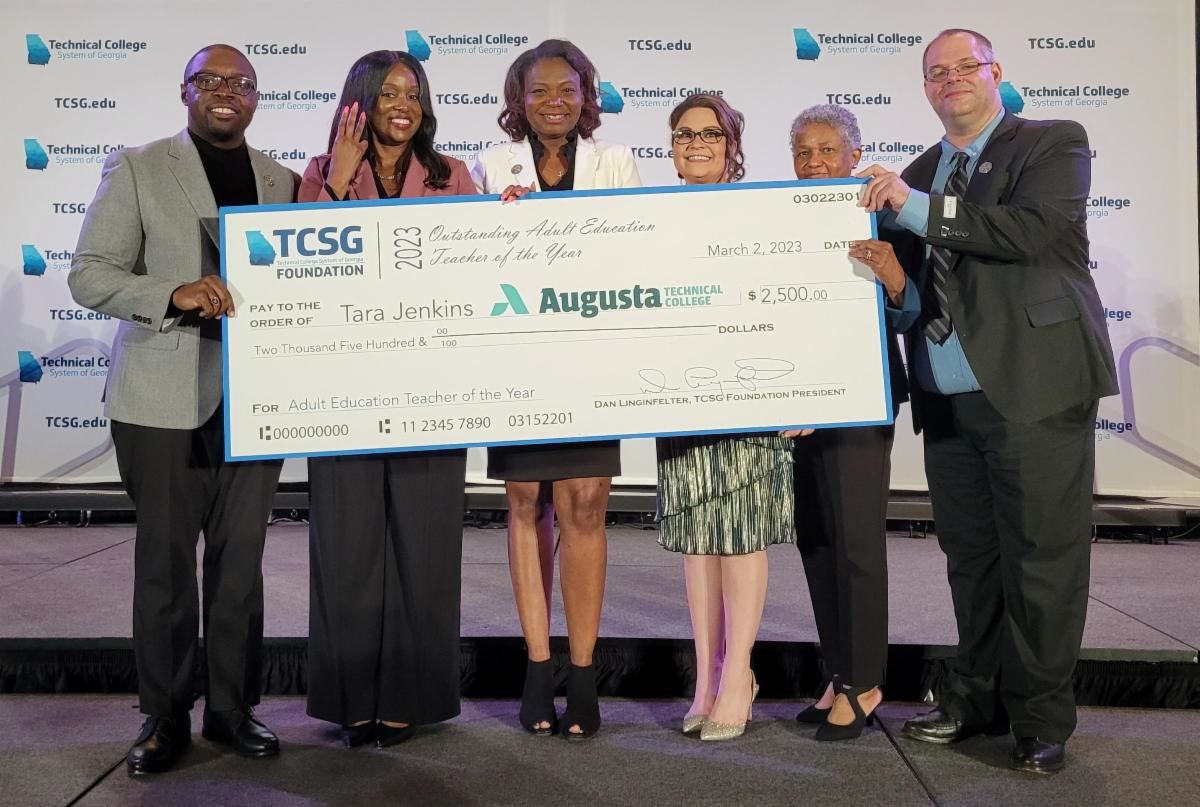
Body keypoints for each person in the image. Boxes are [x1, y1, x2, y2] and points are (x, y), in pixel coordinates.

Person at [858, 28, 1118, 773]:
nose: (951, 80)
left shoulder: (1053, 142)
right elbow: (907, 299)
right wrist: (893, 282)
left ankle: (1041, 719)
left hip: (1036, 389)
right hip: (946, 398)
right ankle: (976, 699)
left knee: (1044, 560)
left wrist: (913, 208)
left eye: (965, 66)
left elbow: (1029, 232)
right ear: (925, 89)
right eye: (935, 73)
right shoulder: (912, 172)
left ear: (997, 73)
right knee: (971, 562)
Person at [69, 44, 297, 776]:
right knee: (165, 567)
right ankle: (163, 716)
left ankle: (231, 710)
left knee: (241, 568)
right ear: (185, 90)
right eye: (211, 80)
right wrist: (172, 293)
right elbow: (89, 274)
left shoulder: (284, 181)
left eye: (241, 83)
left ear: (257, 98)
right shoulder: (137, 165)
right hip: (161, 399)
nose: (226, 91)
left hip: (254, 400)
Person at [297, 50, 475, 749]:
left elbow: (477, 266)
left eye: (414, 91)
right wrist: (337, 186)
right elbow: (300, 270)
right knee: (346, 545)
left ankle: (408, 695)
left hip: (430, 382)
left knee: (424, 545)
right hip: (342, 387)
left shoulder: (451, 175)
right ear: (359, 102)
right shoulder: (319, 171)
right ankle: (350, 697)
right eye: (389, 92)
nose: (403, 103)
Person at [470, 38, 641, 740]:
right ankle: (538, 667)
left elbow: (636, 248)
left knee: (586, 502)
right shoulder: (489, 166)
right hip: (518, 358)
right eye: (538, 91)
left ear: (585, 94)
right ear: (518, 100)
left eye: (566, 89)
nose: (553, 101)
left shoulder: (617, 164)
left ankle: (584, 672)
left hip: (592, 356)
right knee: (523, 502)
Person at [654, 94, 792, 743]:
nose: (697, 143)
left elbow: (791, 300)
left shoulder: (763, 211)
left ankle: (739, 672)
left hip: (751, 392)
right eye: (685, 134)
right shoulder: (651, 218)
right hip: (680, 394)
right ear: (672, 146)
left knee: (739, 532)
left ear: (733, 144)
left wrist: (803, 388)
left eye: (710, 133)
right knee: (698, 540)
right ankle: (707, 677)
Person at [786, 104, 919, 741]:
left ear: (853, 154)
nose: (814, 163)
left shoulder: (886, 211)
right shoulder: (775, 219)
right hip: (796, 403)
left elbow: (916, 308)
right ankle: (838, 670)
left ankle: (866, 678)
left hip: (862, 394)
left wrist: (894, 279)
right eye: (802, 152)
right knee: (816, 538)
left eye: (827, 151)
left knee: (858, 540)